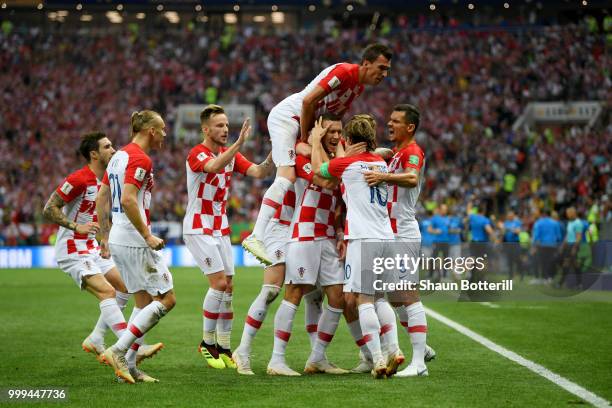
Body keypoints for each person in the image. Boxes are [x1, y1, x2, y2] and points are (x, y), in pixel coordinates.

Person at [243, 43, 393, 265]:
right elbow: (307, 101)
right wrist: (305, 140)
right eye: (381, 68)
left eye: (387, 69)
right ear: (366, 63)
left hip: (306, 125)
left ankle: (365, 155)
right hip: (289, 117)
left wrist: (339, 148)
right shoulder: (343, 72)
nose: (384, 74)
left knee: (320, 166)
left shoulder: (358, 88)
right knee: (287, 176)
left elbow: (332, 122)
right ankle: (256, 236)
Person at [182, 105, 275, 370]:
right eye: (220, 125)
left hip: (220, 227)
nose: (225, 130)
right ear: (205, 129)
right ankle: (206, 342)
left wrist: (276, 151)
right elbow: (212, 167)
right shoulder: (196, 153)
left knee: (229, 286)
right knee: (219, 283)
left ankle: (223, 346)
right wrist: (238, 145)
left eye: (226, 125)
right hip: (198, 226)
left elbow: (259, 171)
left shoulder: (229, 154)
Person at [312, 114, 397, 379]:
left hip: (363, 238)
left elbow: (319, 172)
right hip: (386, 237)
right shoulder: (380, 162)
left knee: (363, 299)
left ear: (348, 140)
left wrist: (316, 142)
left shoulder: (345, 164)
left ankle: (379, 359)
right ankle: (394, 349)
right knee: (380, 297)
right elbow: (380, 151)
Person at [97, 110, 176, 384]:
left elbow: (102, 195)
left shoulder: (118, 156)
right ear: (151, 131)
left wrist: (105, 235)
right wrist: (147, 236)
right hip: (134, 239)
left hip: (119, 237)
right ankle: (118, 351)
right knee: (167, 299)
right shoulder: (140, 158)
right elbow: (129, 200)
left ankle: (128, 368)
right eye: (162, 129)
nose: (165, 133)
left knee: (142, 302)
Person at [266, 115, 348, 376]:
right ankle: (277, 360)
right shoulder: (302, 160)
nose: (335, 136)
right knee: (294, 294)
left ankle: (317, 358)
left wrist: (339, 234)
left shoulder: (335, 159)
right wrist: (313, 143)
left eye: (339, 131)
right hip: (303, 233)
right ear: (318, 133)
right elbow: (327, 181)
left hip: (326, 237)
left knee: (338, 297)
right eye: (330, 131)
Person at [43, 132, 131, 363]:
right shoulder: (79, 178)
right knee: (107, 292)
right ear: (94, 154)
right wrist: (75, 226)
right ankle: (128, 348)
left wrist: (104, 239)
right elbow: (49, 208)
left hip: (92, 247)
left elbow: (101, 213)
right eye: (107, 147)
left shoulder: (108, 179)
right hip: (72, 248)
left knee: (125, 287)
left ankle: (97, 338)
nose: (113, 150)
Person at [363, 104, 432, 377]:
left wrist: (382, 175)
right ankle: (422, 349)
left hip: (402, 232)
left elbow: (412, 178)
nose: (389, 124)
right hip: (388, 233)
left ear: (410, 127)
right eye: (389, 120)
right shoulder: (397, 153)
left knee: (407, 295)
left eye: (396, 121)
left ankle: (419, 363)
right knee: (392, 297)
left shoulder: (412, 152)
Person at [531, 208, 563, 284]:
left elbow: (536, 236)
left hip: (542, 245)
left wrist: (534, 246)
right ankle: (550, 278)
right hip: (552, 245)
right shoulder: (555, 223)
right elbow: (559, 236)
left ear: (542, 214)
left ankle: (544, 278)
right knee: (551, 261)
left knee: (543, 262)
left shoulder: (539, 223)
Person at [559, 207, 584, 288]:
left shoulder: (578, 223)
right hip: (569, 245)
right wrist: (563, 245)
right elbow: (568, 235)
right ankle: (579, 284)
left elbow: (578, 237)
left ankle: (560, 283)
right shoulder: (570, 222)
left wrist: (574, 248)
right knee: (575, 265)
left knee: (567, 263)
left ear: (572, 213)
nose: (567, 215)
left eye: (568, 213)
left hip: (573, 245)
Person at [499, 210, 522, 279]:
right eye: (508, 216)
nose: (509, 217)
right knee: (509, 260)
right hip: (508, 244)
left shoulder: (517, 222)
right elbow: (503, 232)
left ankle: (521, 274)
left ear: (513, 216)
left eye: (511, 216)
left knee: (517, 259)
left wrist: (508, 229)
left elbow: (518, 231)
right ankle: (510, 275)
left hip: (515, 243)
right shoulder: (506, 223)